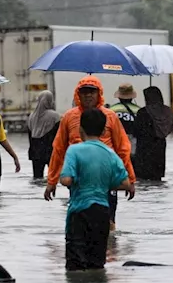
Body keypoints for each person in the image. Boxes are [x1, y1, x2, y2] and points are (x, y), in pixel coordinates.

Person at [44, 76, 136, 231]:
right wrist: (51, 181)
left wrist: (130, 179)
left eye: (92, 92)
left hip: (105, 174)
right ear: (77, 95)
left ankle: (109, 252)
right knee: (81, 218)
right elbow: (58, 149)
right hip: (79, 177)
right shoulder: (69, 117)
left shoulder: (110, 117)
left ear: (99, 94)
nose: (88, 95)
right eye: (84, 92)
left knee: (108, 221)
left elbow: (122, 149)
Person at [60, 108, 134, 271]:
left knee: (75, 265)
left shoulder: (74, 150)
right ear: (103, 130)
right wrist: (102, 183)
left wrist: (78, 180)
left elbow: (66, 180)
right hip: (102, 213)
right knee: (97, 264)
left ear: (80, 129)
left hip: (79, 213)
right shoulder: (110, 153)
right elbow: (126, 183)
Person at [134, 85, 173, 181]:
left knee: (142, 179)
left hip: (144, 149)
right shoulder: (167, 111)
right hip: (160, 147)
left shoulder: (143, 112)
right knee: (157, 178)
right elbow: (171, 127)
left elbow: (136, 131)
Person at [27, 90, 59, 180]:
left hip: (35, 152)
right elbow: (59, 137)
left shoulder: (31, 117)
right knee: (53, 178)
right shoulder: (55, 116)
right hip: (50, 152)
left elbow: (29, 137)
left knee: (37, 178)